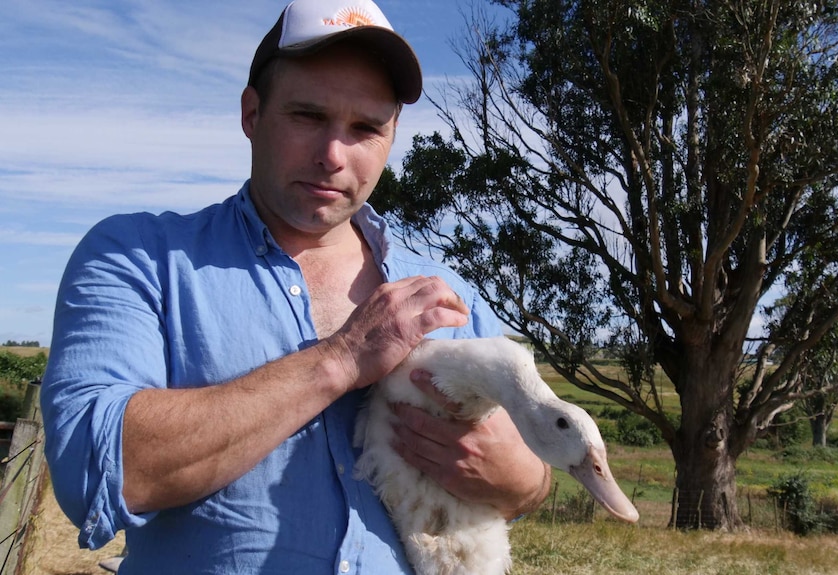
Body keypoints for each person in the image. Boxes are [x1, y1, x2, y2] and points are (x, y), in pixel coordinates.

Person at [41, 1, 551, 573]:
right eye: (307, 116)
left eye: (365, 128)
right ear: (252, 115)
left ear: (392, 134)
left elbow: (527, 477)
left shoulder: (444, 296)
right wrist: (342, 358)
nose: (333, 156)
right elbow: (95, 474)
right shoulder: (139, 258)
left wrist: (523, 482)